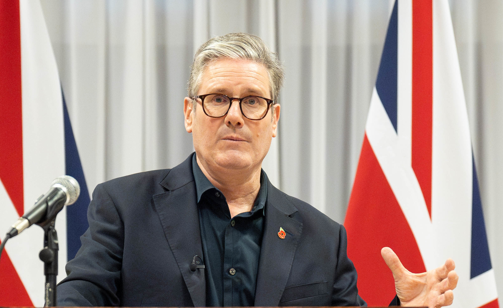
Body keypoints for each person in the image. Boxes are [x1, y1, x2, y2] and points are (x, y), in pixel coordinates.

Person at [57, 33, 458, 307]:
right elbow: (81, 295)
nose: (235, 116)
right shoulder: (125, 207)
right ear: (189, 114)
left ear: (274, 120)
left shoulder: (322, 238)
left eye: (252, 101)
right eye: (217, 99)